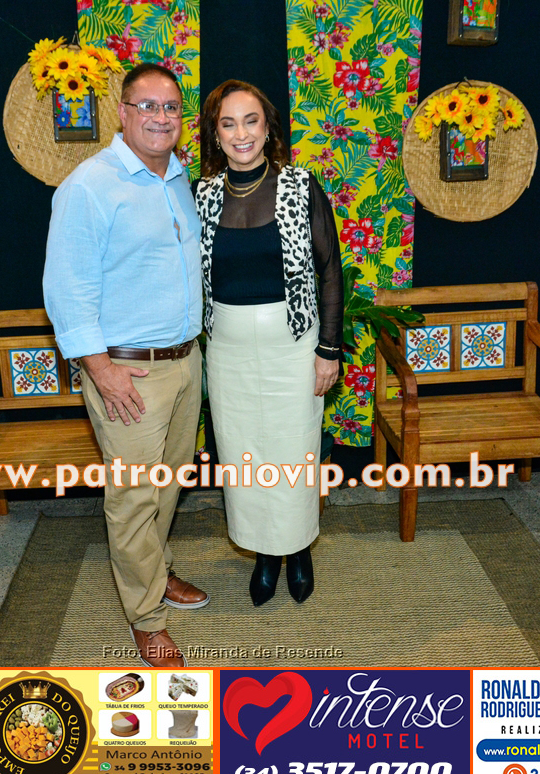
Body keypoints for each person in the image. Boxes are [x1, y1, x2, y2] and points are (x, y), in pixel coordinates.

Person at [43, 63, 208, 668]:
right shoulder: (89, 186)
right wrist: (100, 368)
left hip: (185, 362)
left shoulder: (179, 180)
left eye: (171, 107)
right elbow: (66, 289)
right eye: (148, 105)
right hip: (128, 371)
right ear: (123, 112)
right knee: (136, 496)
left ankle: (155, 574)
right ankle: (146, 618)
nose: (161, 117)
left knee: (168, 485)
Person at [193, 80, 343, 606]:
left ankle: (297, 550)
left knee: (293, 450)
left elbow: (329, 270)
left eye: (250, 120)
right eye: (228, 123)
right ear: (215, 134)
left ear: (268, 127)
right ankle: (263, 554)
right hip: (227, 350)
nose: (241, 133)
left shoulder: (300, 186)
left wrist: (329, 350)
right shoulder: (201, 195)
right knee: (244, 454)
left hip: (293, 345)